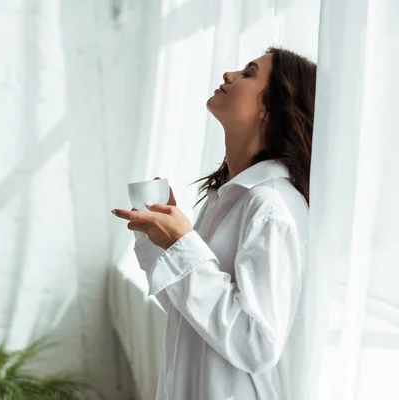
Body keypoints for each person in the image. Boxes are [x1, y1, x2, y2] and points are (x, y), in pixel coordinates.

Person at [111, 47, 317, 399]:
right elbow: (194, 315)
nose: (229, 74)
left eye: (248, 73)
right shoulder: (225, 196)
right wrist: (161, 239)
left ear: (269, 108)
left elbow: (257, 344)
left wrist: (182, 246)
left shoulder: (270, 206)